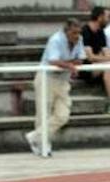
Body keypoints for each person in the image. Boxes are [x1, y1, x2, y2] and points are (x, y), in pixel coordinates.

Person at [25, 19, 85, 156]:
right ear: (66, 31)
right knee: (43, 112)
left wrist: (66, 64)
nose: (77, 36)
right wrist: (69, 65)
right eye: (74, 33)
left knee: (63, 114)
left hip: (63, 79)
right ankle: (43, 145)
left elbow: (80, 58)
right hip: (47, 77)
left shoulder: (79, 40)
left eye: (79, 32)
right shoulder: (56, 39)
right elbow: (53, 60)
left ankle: (34, 136)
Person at [80, 6, 110, 114]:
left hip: (98, 65)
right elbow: (90, 57)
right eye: (107, 16)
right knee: (108, 66)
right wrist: (109, 59)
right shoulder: (85, 31)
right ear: (100, 17)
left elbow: (106, 54)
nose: (108, 19)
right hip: (85, 68)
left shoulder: (101, 32)